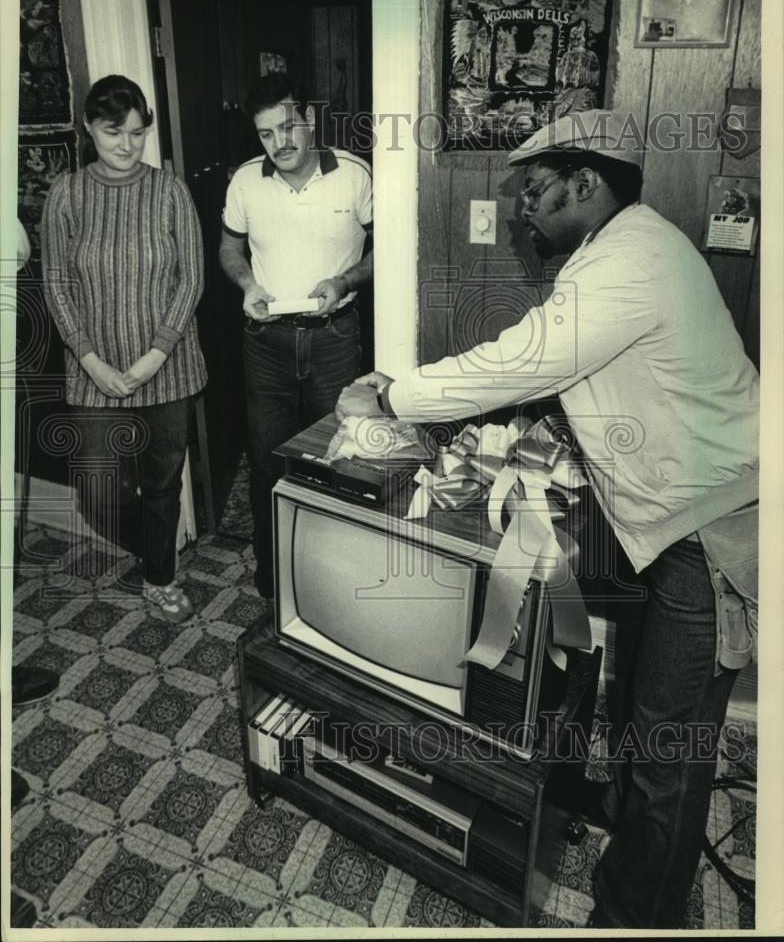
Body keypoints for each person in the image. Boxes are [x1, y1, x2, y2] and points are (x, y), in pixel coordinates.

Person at [336, 109, 759, 929]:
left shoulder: (628, 261)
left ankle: (640, 913)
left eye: (535, 189)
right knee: (636, 702)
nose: (524, 206)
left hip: (710, 535)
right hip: (672, 523)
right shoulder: (623, 250)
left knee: (672, 750)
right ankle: (610, 814)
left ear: (587, 184)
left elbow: (526, 359)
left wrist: (394, 393)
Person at [42, 75, 207, 622]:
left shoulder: (170, 191)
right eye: (115, 131)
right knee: (99, 491)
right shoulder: (65, 193)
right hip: (94, 373)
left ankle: (160, 576)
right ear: (90, 128)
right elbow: (57, 283)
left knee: (162, 483)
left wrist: (154, 356)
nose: (128, 145)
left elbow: (192, 280)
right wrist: (92, 360)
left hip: (168, 370)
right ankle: (155, 547)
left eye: (138, 133)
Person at [219, 72, 373, 599]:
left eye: (288, 127)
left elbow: (387, 248)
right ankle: (275, 575)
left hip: (334, 338)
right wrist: (246, 284)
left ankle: (334, 578)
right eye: (266, 134)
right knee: (267, 463)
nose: (280, 143)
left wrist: (344, 280)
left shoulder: (355, 174)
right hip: (265, 345)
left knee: (340, 458)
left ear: (309, 120)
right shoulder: (244, 181)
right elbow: (229, 248)